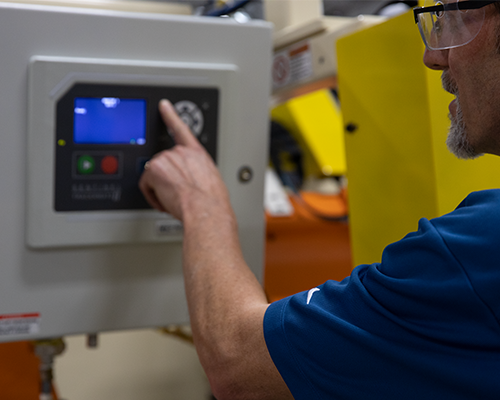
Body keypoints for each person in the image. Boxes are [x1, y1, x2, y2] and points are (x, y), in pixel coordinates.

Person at [139, 2, 500, 399]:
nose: (433, 56)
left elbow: (239, 363)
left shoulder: (476, 246)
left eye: (457, 19)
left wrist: (199, 202)